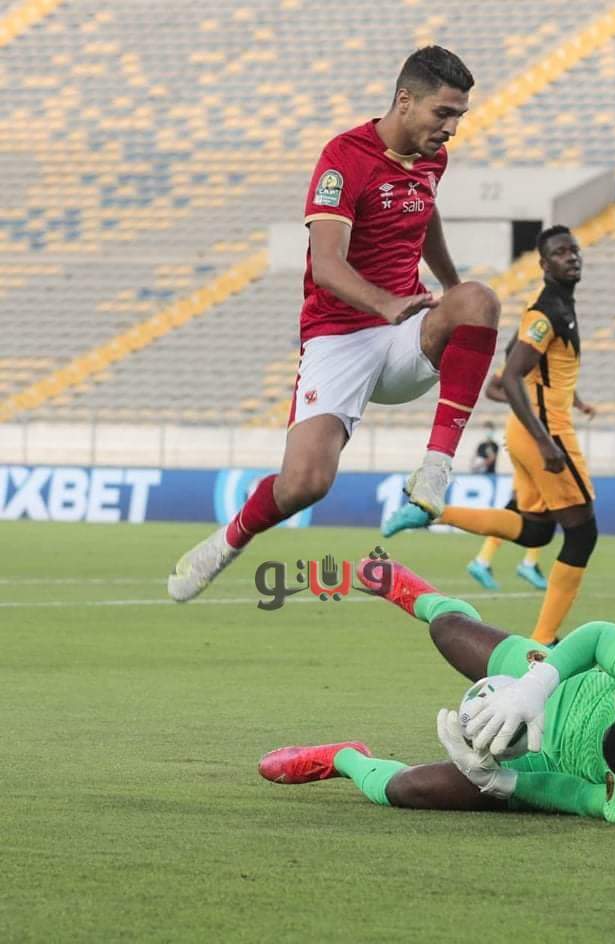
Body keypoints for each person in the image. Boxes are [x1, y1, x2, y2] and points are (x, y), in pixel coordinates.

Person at [167, 47, 499, 602]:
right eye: (443, 113)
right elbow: (326, 264)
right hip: (340, 337)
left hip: (403, 333)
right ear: (404, 100)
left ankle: (435, 469)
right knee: (305, 484)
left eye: (459, 116)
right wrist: (384, 302)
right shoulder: (344, 157)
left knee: (480, 300)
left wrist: (451, 287)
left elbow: (425, 215)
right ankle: (227, 540)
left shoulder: (432, 158)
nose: (452, 128)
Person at [258, 555, 615, 825]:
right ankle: (419, 596)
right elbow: (596, 636)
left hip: (548, 762)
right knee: (448, 631)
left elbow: (575, 794)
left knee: (410, 790)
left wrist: (501, 781)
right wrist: (534, 687)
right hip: (563, 688)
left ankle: (343, 758)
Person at [384, 225, 595, 644]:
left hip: (532, 430)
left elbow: (508, 374)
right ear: (543, 264)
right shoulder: (547, 312)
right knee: (582, 533)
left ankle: (434, 513)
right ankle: (544, 641)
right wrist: (544, 440)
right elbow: (511, 377)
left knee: (536, 531)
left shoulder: (555, 307)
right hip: (546, 432)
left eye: (574, 250)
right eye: (560, 253)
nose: (571, 257)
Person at [467, 347, 548, 592]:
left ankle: (484, 560)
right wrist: (518, 399)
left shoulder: (542, 368)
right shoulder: (523, 366)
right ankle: (527, 563)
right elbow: (491, 389)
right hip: (530, 441)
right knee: (545, 504)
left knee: (521, 505)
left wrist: (580, 404)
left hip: (528, 440)